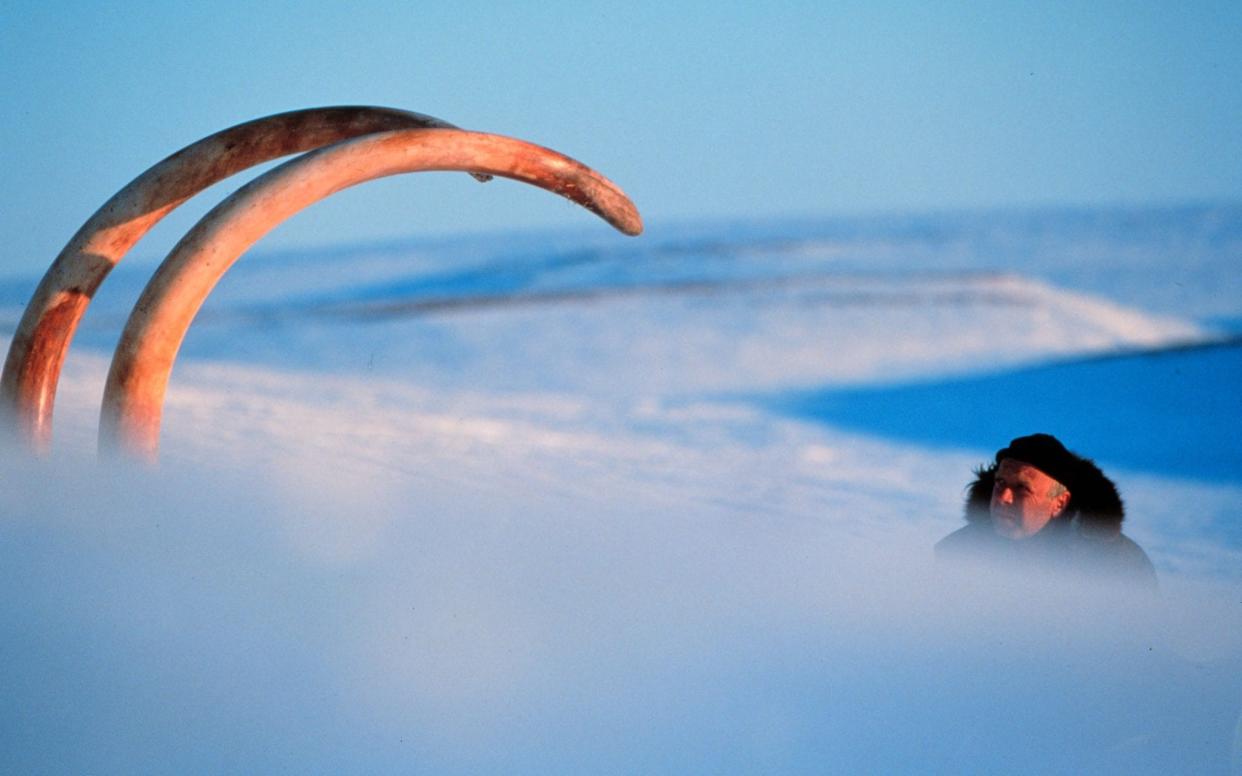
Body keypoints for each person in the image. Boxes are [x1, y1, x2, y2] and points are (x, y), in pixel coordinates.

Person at [935, 433, 1157, 589]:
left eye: (1022, 488)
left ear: (1059, 504)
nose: (1003, 498)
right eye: (1000, 483)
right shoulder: (958, 553)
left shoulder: (1119, 566)